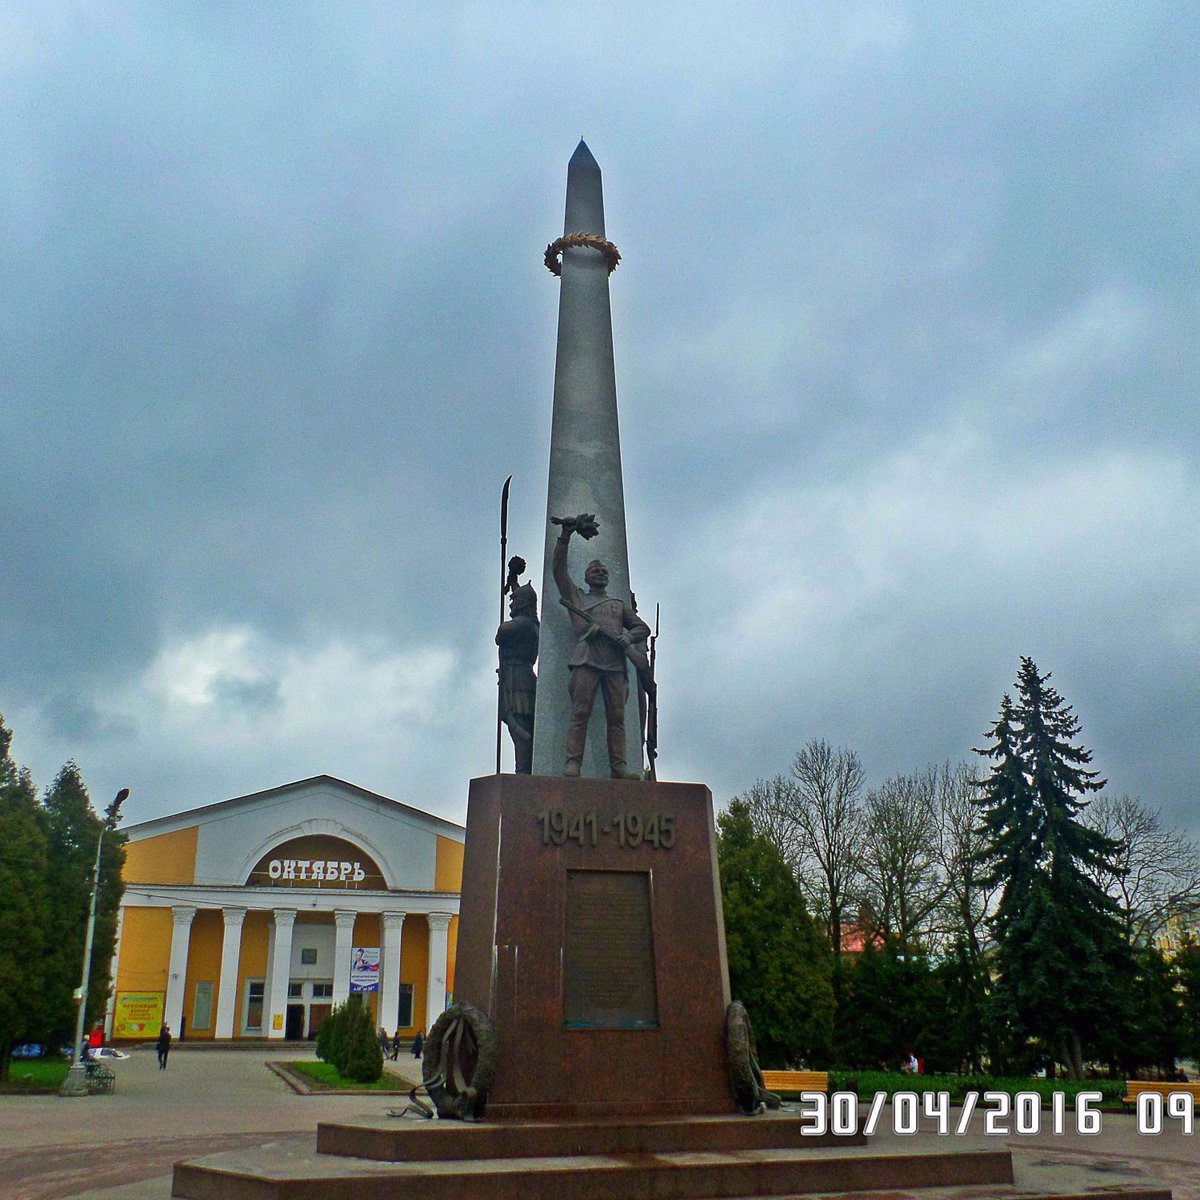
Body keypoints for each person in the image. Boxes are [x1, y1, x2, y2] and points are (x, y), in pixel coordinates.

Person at [550, 514, 650, 779]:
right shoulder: (578, 598)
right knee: (580, 713)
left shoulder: (618, 605)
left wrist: (627, 639)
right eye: (595, 571)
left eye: (603, 570)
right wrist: (565, 536)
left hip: (616, 664)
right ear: (586, 577)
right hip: (586, 660)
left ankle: (619, 767)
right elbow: (558, 571)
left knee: (616, 719)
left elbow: (642, 628)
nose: (600, 573)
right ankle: (573, 764)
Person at [496, 570, 539, 774]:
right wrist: (513, 581)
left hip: (517, 680)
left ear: (522, 604)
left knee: (519, 727)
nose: (511, 604)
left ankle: (523, 772)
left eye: (514, 601)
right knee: (522, 726)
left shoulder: (523, 624)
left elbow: (502, 633)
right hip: (522, 676)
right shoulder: (533, 623)